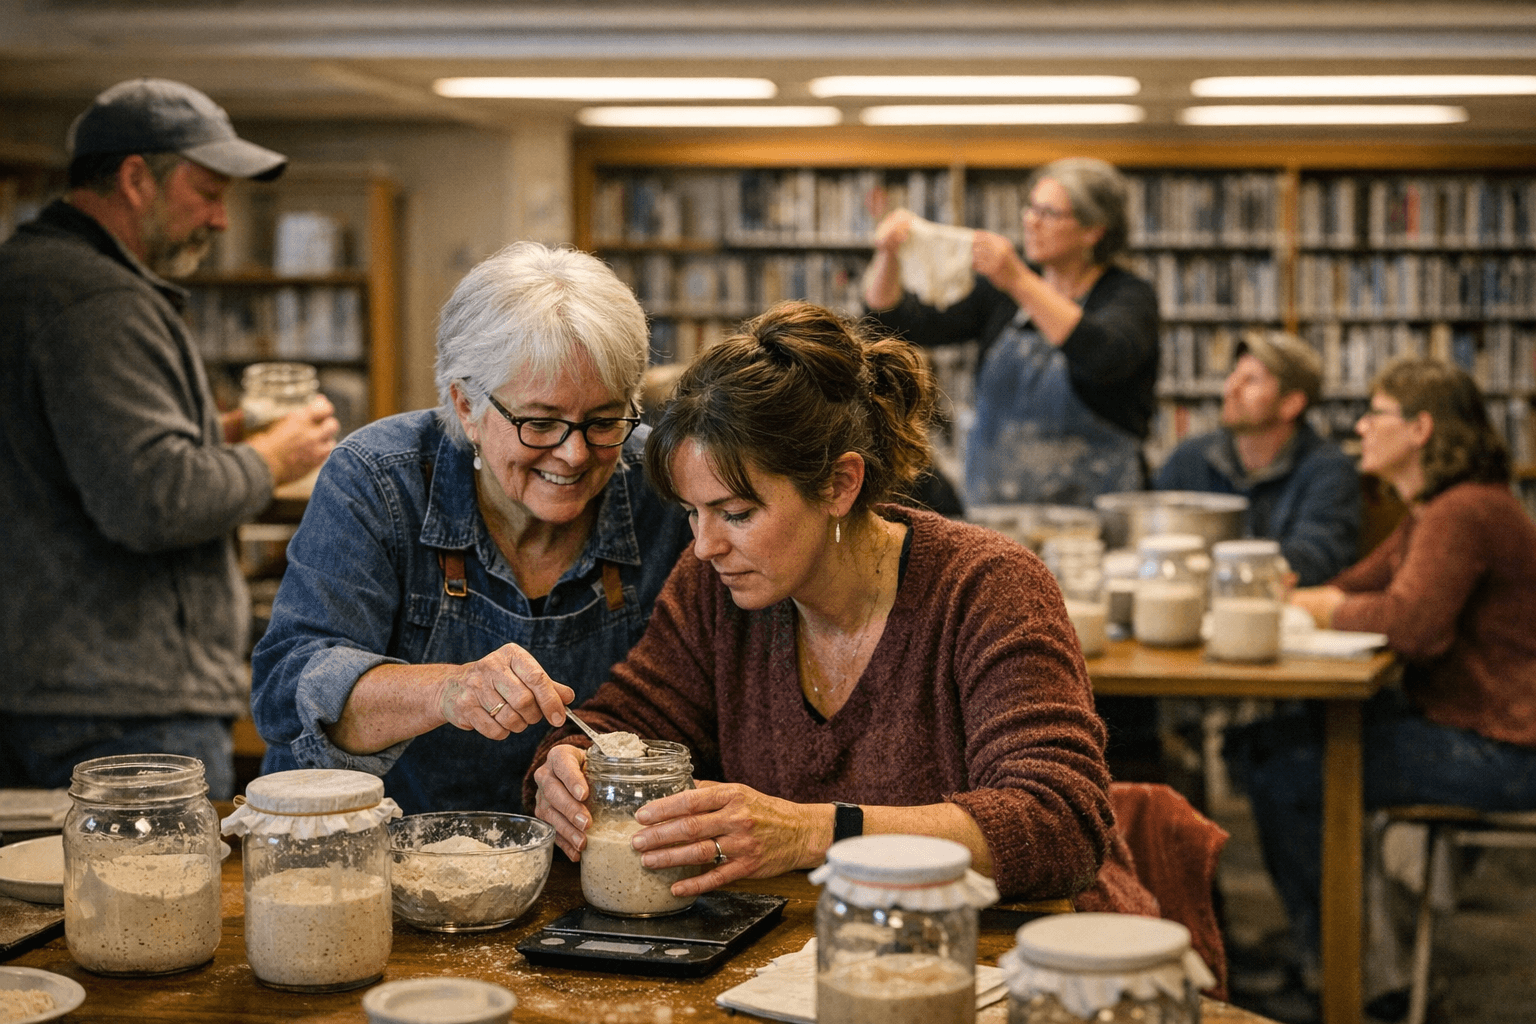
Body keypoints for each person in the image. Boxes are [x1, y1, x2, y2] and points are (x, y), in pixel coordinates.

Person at [523, 300, 1156, 913]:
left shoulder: (984, 588)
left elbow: (1059, 826)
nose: (705, 544)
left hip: (1029, 953)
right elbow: (623, 724)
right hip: (826, 946)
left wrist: (809, 832)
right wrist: (569, 770)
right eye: (693, 512)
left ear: (839, 484)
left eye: (737, 513)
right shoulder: (714, 587)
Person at [249, 242, 692, 816]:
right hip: (373, 848)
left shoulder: (660, 485)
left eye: (604, 419)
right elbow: (289, 687)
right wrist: (445, 690)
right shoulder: (379, 479)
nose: (575, 453)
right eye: (540, 422)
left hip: (578, 855)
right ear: (466, 406)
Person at [0, 78, 338, 800]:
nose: (220, 220)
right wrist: (274, 457)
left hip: (51, 684)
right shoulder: (99, 301)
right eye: (207, 191)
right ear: (134, 179)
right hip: (121, 703)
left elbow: (62, 461)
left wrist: (220, 435)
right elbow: (155, 501)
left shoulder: (29, 276)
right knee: (155, 906)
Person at [1228, 357, 1536, 1020]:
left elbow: (1413, 626)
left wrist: (1311, 608)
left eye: (1377, 412)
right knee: (1260, 749)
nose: (1361, 426)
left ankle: (1348, 977)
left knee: (1283, 768)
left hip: (1504, 748)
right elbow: (1360, 585)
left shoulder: (1462, 512)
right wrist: (1301, 595)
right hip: (1475, 728)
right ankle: (1342, 953)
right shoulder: (1437, 508)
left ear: (1421, 427)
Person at [863, 157, 1160, 508]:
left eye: (1048, 213)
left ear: (1093, 230)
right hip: (997, 513)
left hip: (1095, 520)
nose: (1031, 221)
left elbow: (1103, 355)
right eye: (1030, 208)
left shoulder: (1129, 296)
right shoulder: (1002, 293)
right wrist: (887, 255)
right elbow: (893, 324)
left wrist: (1017, 279)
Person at [1155, 330, 1360, 586]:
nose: (1231, 388)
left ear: (1291, 404)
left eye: (1250, 380)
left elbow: (1313, 560)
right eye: (1234, 375)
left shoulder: (1329, 469)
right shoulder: (1189, 459)